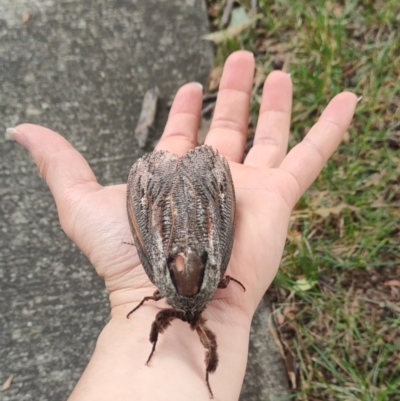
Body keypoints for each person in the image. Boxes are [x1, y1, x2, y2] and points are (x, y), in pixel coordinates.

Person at [9, 51, 357, 400]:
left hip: (170, 231)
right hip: (197, 227)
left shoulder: (172, 286)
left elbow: (164, 298)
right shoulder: (196, 282)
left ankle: (168, 366)